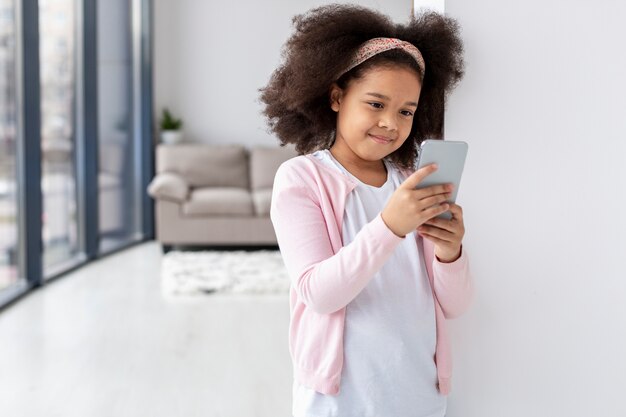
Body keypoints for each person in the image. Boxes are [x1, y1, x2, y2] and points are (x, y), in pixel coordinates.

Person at [259, 4, 474, 416]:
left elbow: (456, 305)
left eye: (406, 111)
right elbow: (320, 294)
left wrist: (451, 252)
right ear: (337, 96)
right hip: (340, 399)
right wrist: (390, 225)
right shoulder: (302, 179)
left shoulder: (411, 180)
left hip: (419, 393)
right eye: (375, 104)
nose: (390, 123)